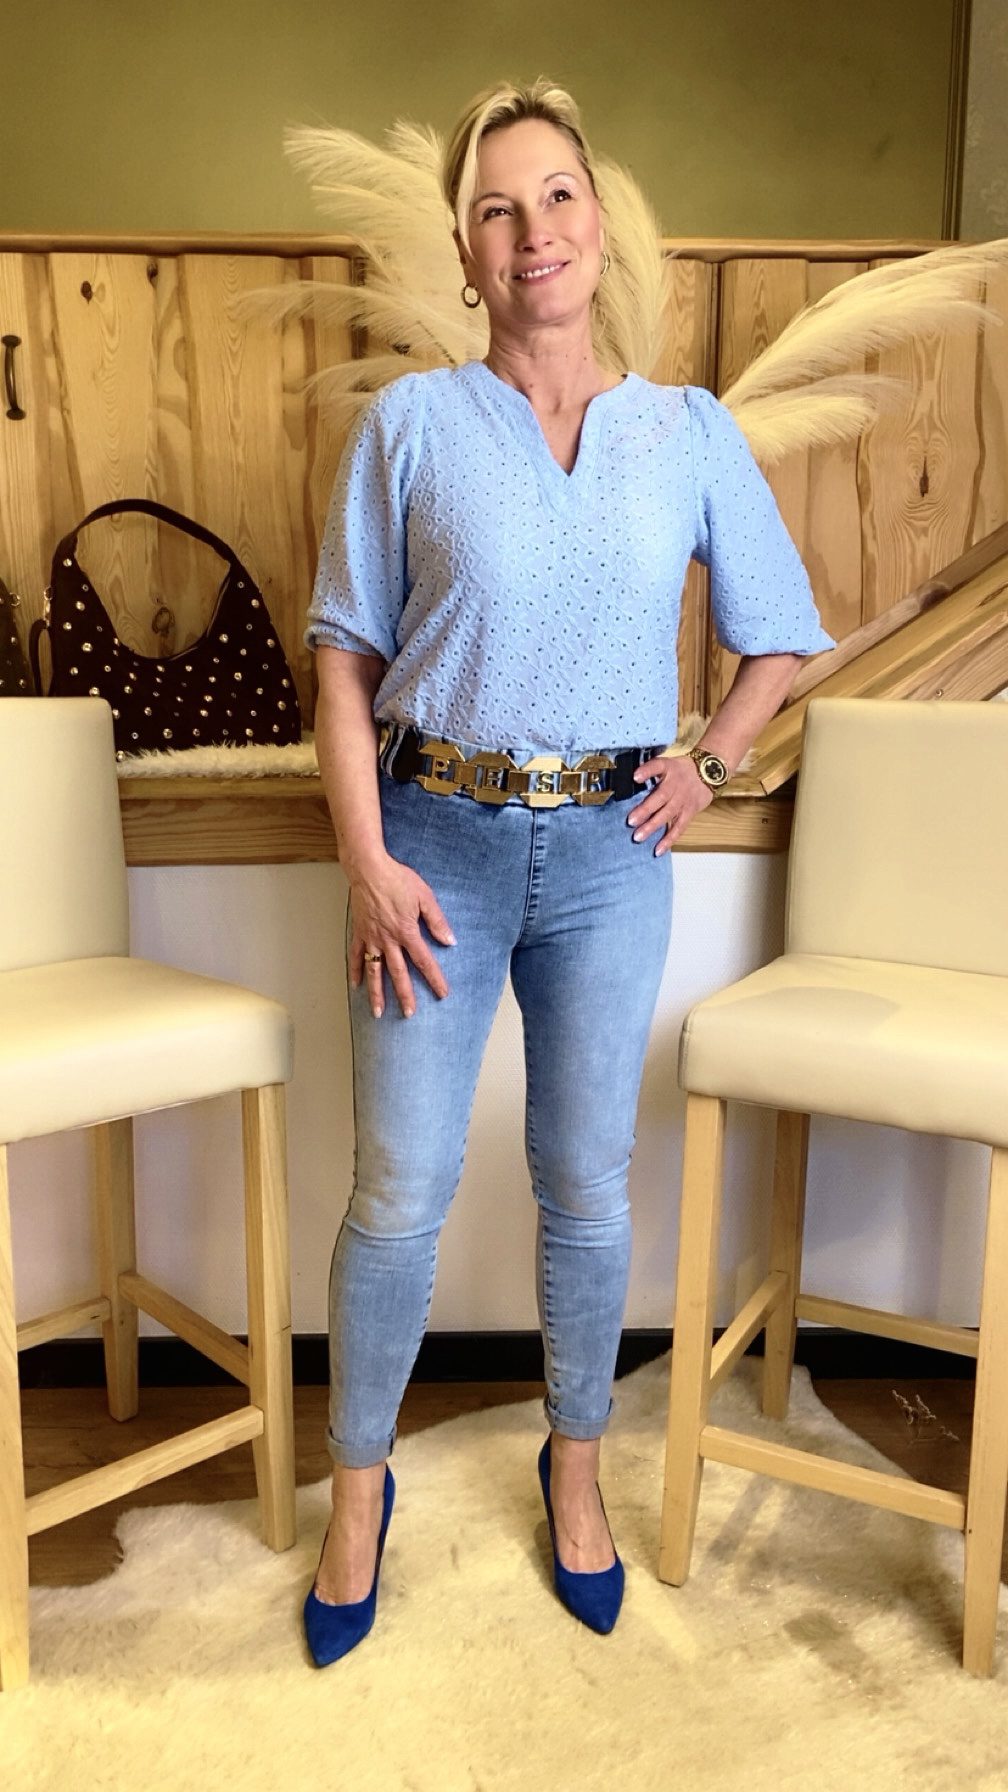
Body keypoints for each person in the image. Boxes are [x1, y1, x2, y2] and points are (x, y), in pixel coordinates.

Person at [301, 76, 836, 1666]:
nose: (531, 230)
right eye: (496, 207)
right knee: (398, 1191)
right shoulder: (410, 428)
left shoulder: (687, 433)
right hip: (432, 850)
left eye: (556, 198)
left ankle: (578, 1466)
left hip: (611, 856)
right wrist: (365, 859)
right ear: (466, 254)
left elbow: (780, 638)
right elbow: (343, 661)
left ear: (600, 228)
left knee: (587, 1184)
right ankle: (356, 1493)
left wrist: (706, 762)